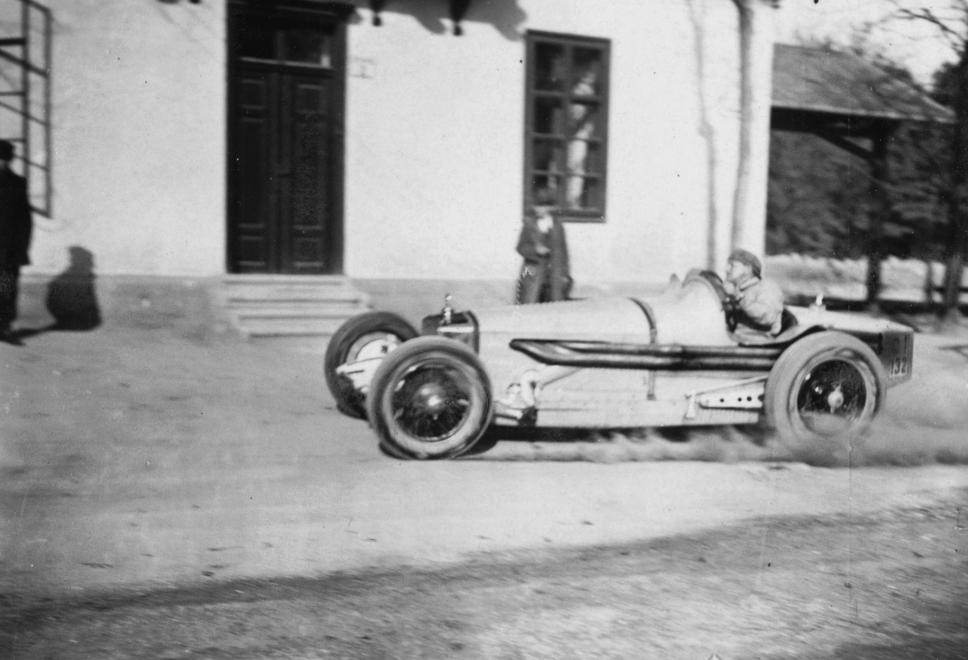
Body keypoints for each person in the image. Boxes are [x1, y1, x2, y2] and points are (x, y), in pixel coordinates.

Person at [0, 139, 33, 346]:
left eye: (4, 158)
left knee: (7, 288)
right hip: (6, 247)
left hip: (9, 249)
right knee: (6, 288)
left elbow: (25, 220)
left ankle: (4, 327)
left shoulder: (18, 183)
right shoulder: (17, 182)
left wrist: (22, 247)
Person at [514, 189, 572, 304]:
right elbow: (520, 247)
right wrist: (535, 250)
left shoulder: (558, 227)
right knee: (529, 304)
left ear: (550, 208)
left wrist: (565, 274)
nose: (539, 209)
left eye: (543, 206)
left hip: (554, 273)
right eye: (537, 206)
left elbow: (564, 253)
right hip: (533, 271)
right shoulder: (529, 225)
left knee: (554, 307)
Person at [724, 248, 784, 339]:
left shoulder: (767, 287)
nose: (726, 269)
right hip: (734, 339)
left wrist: (738, 297)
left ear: (747, 269)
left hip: (757, 342)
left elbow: (767, 318)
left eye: (732, 266)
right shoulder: (737, 289)